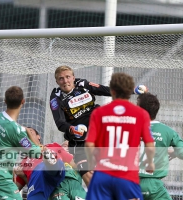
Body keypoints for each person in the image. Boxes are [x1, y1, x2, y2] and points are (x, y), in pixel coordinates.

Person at [50, 65, 147, 186]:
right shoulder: (56, 97)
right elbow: (59, 122)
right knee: (87, 175)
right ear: (57, 81)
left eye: (68, 77)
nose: (65, 81)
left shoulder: (83, 84)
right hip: (80, 140)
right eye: (61, 79)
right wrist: (72, 129)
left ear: (73, 77)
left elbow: (105, 90)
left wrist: (132, 90)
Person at [85, 72, 155, 200]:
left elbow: (89, 144)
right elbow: (150, 145)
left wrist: (91, 162)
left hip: (102, 175)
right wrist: (150, 163)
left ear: (112, 90)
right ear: (130, 91)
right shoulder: (141, 114)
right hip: (127, 178)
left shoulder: (99, 113)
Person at [0, 86, 42, 200]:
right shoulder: (16, 130)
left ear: (5, 101)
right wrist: (30, 135)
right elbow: (35, 153)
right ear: (23, 101)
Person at [137, 93, 183, 200]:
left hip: (131, 184)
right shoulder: (167, 131)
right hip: (155, 187)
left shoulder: (131, 128)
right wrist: (175, 152)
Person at [14, 128, 74, 200]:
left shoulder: (53, 146)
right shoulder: (24, 162)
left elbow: (73, 163)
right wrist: (22, 176)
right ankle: (48, 160)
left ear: (38, 136)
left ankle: (49, 160)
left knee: (52, 165)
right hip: (38, 182)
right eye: (25, 134)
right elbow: (14, 190)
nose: (28, 134)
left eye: (30, 131)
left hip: (54, 171)